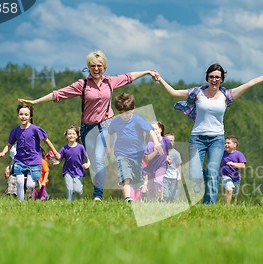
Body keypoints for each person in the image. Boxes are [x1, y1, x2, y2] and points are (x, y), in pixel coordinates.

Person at [18, 50, 159, 201]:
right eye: (92, 66)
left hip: (105, 125)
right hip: (86, 129)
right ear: (88, 67)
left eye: (99, 66)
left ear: (104, 67)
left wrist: (147, 72)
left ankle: (97, 196)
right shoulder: (82, 85)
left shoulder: (110, 82)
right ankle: (97, 190)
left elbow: (129, 77)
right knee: (94, 163)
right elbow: (59, 94)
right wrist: (35, 102)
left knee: (98, 159)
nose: (96, 68)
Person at [154, 63, 263, 204]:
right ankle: (206, 180)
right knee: (195, 174)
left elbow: (250, 84)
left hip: (216, 139)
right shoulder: (197, 93)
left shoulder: (226, 95)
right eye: (211, 77)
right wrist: (159, 78)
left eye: (217, 77)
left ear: (222, 79)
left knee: (212, 171)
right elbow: (173, 92)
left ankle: (208, 205)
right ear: (207, 78)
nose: (214, 80)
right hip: (197, 138)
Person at [106, 92, 163, 203]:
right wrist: (107, 147)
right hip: (121, 153)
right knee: (125, 176)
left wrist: (157, 143)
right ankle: (128, 199)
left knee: (137, 179)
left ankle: (138, 199)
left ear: (132, 110)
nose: (124, 115)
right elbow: (109, 133)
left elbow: (150, 130)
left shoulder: (137, 120)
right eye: (121, 113)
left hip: (137, 154)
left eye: (127, 113)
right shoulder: (116, 122)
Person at [0, 105, 60, 201]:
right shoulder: (15, 131)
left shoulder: (36, 130)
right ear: (18, 116)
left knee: (30, 185)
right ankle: (21, 204)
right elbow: (9, 144)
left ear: (30, 117)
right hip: (20, 161)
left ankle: (36, 184)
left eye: (26, 114)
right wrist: (3, 152)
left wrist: (55, 153)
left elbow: (46, 141)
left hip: (34, 161)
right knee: (20, 182)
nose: (23, 116)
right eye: (21, 114)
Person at [58, 125, 91, 201]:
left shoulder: (80, 147)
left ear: (77, 136)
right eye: (69, 134)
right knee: (69, 189)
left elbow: (88, 156)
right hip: (67, 171)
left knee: (77, 190)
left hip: (78, 171)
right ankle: (69, 203)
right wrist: (53, 161)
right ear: (66, 136)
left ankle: (75, 196)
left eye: (73, 134)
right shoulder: (64, 148)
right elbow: (58, 159)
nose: (71, 135)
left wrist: (88, 164)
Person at [144, 121, 172, 202]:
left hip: (161, 166)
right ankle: (151, 202)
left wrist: (167, 158)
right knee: (151, 187)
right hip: (151, 168)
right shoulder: (150, 144)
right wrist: (155, 152)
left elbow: (169, 151)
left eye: (155, 129)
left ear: (160, 129)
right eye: (152, 129)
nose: (154, 131)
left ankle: (161, 198)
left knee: (158, 180)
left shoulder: (166, 140)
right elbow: (147, 158)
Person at [220, 136, 247, 204]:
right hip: (225, 176)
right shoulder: (222, 153)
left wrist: (233, 164)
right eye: (225, 143)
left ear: (235, 145)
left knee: (234, 195)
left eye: (228, 143)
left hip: (236, 178)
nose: (226, 145)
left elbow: (243, 166)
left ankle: (232, 207)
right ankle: (226, 207)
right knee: (229, 189)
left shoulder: (239, 154)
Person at [163, 132, 182, 202]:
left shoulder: (176, 153)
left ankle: (173, 204)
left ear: (174, 142)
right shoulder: (162, 152)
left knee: (173, 194)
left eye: (171, 141)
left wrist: (179, 175)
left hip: (174, 177)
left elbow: (178, 165)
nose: (169, 142)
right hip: (164, 176)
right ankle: (164, 203)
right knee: (166, 193)